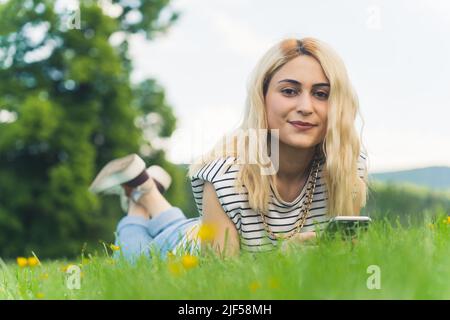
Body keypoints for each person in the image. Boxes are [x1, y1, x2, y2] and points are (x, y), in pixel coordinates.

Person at [89, 36, 369, 262]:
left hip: (208, 227)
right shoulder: (226, 175)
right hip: (189, 251)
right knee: (135, 259)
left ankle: (147, 191)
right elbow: (223, 284)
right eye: (289, 91)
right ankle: (139, 205)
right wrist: (281, 263)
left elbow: (345, 255)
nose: (306, 107)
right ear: (262, 97)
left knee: (182, 223)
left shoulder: (346, 164)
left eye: (321, 94)